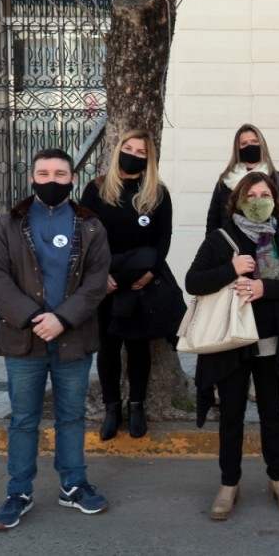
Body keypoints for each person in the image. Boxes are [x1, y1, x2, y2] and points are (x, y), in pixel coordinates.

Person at [0, 148, 111, 530]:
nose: (51, 180)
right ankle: (18, 492)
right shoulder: (7, 225)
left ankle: (73, 485)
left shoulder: (91, 226)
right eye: (43, 174)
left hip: (74, 338)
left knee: (72, 416)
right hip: (23, 339)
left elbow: (96, 282)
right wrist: (35, 319)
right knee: (24, 420)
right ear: (32, 178)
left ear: (73, 179)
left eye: (59, 174)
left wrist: (63, 319)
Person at [185, 171, 279, 518]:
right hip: (230, 342)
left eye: (264, 195)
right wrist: (230, 269)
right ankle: (229, 483)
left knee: (272, 412)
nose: (258, 201)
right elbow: (193, 282)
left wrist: (264, 288)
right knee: (231, 414)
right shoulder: (220, 239)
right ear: (238, 201)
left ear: (275, 201)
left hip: (271, 341)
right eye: (251, 196)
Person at [80, 129, 183, 440]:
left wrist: (151, 272)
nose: (133, 155)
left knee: (139, 346)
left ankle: (136, 406)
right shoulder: (96, 189)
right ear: (118, 150)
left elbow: (163, 237)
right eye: (128, 148)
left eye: (141, 152)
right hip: (106, 281)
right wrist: (99, 276)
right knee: (108, 347)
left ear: (149, 159)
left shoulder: (157, 194)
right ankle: (112, 408)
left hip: (141, 282)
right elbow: (83, 236)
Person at [206, 124, 279, 234]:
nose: (250, 146)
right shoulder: (226, 181)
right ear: (237, 148)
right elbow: (213, 220)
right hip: (231, 242)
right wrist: (212, 243)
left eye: (254, 141)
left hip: (270, 241)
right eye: (244, 143)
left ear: (262, 144)